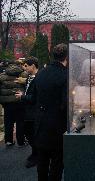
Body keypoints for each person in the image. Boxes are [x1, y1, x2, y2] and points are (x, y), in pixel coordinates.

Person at [31, 43, 68, 181]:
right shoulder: (66, 75)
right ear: (66, 57)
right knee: (57, 164)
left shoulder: (40, 73)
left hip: (40, 124)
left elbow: (33, 98)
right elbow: (65, 103)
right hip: (58, 126)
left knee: (42, 163)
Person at [15, 56, 39, 168]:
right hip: (27, 111)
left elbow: (35, 98)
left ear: (33, 66)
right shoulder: (29, 77)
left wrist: (23, 96)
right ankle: (35, 154)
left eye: (26, 66)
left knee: (32, 134)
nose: (25, 68)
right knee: (29, 133)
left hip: (33, 112)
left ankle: (36, 155)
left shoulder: (39, 78)